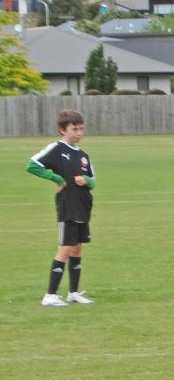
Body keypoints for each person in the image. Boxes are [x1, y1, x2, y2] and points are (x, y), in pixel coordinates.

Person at [27, 109, 96, 307]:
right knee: (65, 247)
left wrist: (86, 181)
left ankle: (73, 293)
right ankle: (50, 295)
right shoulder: (57, 149)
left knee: (77, 248)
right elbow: (31, 165)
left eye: (81, 129)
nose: (79, 133)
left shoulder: (83, 155)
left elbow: (93, 181)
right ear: (62, 130)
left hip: (83, 206)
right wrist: (56, 178)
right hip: (67, 206)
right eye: (75, 129)